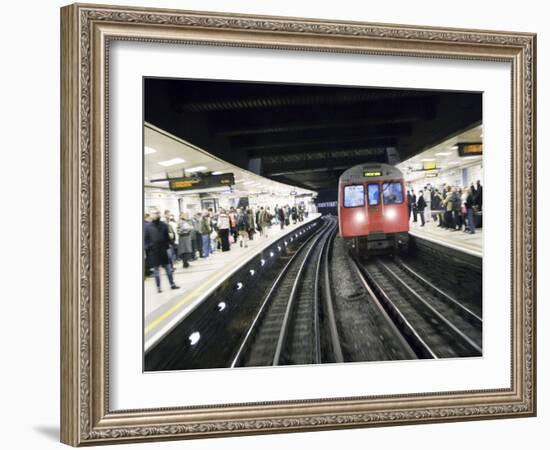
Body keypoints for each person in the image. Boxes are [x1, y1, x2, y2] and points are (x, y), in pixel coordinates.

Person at [144, 208, 180, 293]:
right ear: (151, 215)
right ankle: (158, 287)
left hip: (164, 251)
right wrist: (149, 247)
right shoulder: (147, 227)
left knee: (168, 269)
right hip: (153, 252)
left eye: (157, 213)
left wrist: (168, 245)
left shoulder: (163, 225)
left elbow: (167, 237)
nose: (156, 215)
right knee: (156, 271)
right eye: (154, 213)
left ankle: (172, 284)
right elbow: (145, 240)